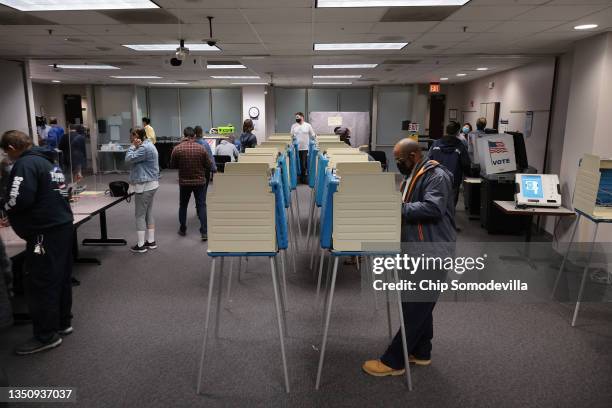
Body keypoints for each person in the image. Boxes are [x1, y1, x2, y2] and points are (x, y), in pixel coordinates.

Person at [363, 138, 456, 377]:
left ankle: (394, 360)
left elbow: (433, 209)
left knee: (415, 307)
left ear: (414, 155)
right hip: (418, 248)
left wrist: (395, 206)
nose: (397, 165)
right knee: (417, 302)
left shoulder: (436, 176)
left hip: (432, 251)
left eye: (399, 160)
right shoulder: (416, 174)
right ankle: (421, 351)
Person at [0, 130, 74, 355]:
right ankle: (62, 322)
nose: (7, 156)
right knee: (60, 276)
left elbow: (19, 198)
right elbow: (62, 194)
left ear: (12, 148)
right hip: (61, 227)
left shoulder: (25, 164)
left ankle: (45, 335)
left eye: (6, 151)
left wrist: (4, 208)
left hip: (43, 232)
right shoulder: (49, 162)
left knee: (39, 280)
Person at [169, 127, 213, 241]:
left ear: (184, 135)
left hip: (184, 182)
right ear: (194, 136)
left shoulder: (177, 149)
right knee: (202, 205)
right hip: (200, 182)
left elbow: (172, 165)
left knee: (183, 205)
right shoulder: (201, 148)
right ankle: (204, 232)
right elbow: (208, 165)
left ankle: (183, 229)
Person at [124, 127, 160, 253]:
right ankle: (151, 241)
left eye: (132, 136)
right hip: (152, 184)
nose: (131, 139)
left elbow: (128, 159)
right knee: (148, 213)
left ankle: (141, 245)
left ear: (137, 136)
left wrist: (132, 147)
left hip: (144, 186)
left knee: (139, 215)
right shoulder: (149, 145)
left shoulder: (144, 148)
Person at [428, 121, 470, 206]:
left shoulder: (436, 144)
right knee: (450, 205)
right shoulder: (460, 146)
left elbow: (429, 160)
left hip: (436, 178)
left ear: (446, 131)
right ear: (457, 132)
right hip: (453, 180)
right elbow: (465, 163)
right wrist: (469, 174)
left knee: (435, 202)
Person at [290, 112, 315, 184]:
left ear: (302, 117)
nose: (297, 119)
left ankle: (303, 178)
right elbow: (291, 135)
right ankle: (298, 177)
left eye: (298, 117)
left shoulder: (308, 125)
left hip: (305, 148)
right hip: (295, 148)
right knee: (297, 164)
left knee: (304, 164)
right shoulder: (294, 126)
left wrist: (315, 138)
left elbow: (312, 134)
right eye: (296, 118)